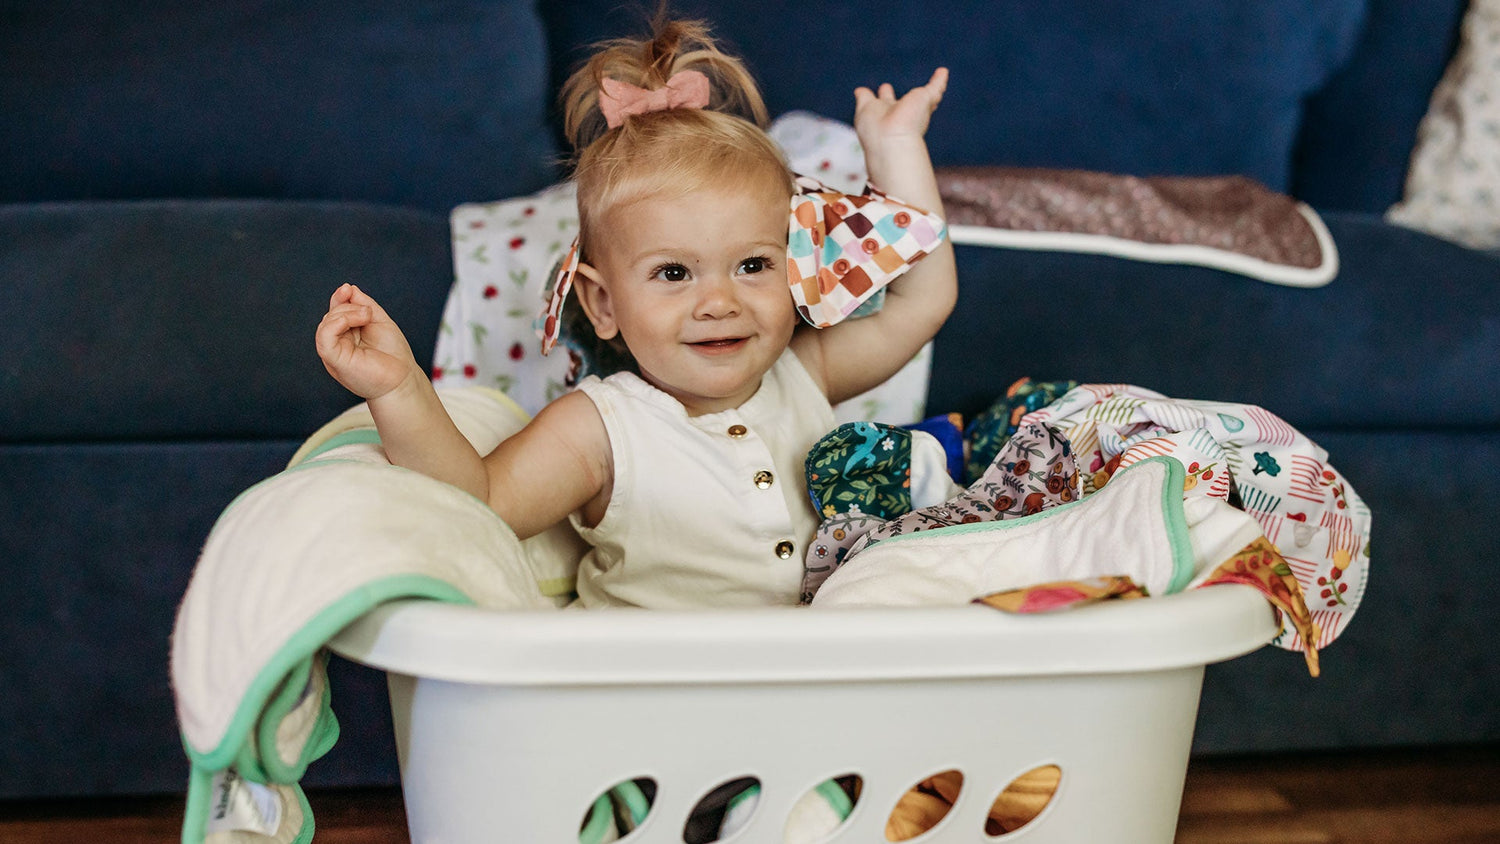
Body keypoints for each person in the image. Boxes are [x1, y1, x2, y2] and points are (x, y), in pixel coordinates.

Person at [315, 17, 956, 608]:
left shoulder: (803, 373)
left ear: (796, 269)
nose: (719, 302)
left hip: (803, 685)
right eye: (674, 273)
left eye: (754, 265)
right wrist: (399, 388)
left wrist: (896, 148)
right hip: (646, 701)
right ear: (601, 303)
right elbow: (479, 500)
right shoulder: (601, 428)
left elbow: (923, 301)